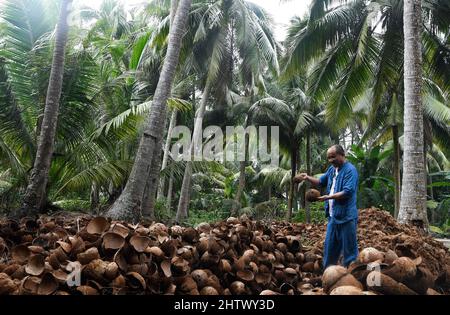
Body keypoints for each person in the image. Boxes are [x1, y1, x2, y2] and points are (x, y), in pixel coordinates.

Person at [294, 144, 359, 269]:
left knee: (349, 252)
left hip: (347, 217)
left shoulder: (350, 170)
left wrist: (328, 197)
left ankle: (351, 278)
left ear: (342, 155)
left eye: (333, 157)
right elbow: (320, 182)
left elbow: (348, 192)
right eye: (329, 158)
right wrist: (307, 177)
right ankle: (328, 276)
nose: (330, 160)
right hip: (333, 217)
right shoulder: (332, 169)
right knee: (329, 250)